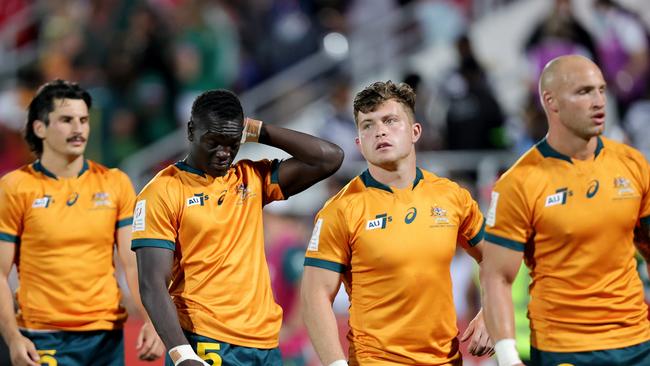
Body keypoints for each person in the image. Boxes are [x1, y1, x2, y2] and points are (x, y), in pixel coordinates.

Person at [131, 88, 343, 366]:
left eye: (232, 143)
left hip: (265, 344)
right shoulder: (162, 191)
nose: (224, 153)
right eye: (214, 142)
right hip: (206, 342)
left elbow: (329, 158)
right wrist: (182, 354)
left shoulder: (251, 177)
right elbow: (152, 284)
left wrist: (260, 130)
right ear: (191, 130)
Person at [301, 80, 493, 365]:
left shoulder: (451, 197)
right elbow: (315, 296)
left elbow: (497, 259)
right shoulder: (341, 210)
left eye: (390, 121)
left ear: (415, 131)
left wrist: (491, 312)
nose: (379, 131)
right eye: (368, 125)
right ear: (359, 143)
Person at [480, 55, 650, 366]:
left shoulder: (633, 164)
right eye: (584, 92)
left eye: (601, 90)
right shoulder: (519, 182)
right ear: (551, 102)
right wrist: (506, 356)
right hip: (565, 350)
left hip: (638, 344)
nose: (599, 101)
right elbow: (496, 277)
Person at [0, 79, 164, 366]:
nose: (78, 129)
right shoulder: (15, 188)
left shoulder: (116, 183)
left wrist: (153, 321)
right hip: (45, 337)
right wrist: (13, 338)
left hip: (106, 339)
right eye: (66, 120)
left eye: (83, 120)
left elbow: (132, 262)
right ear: (40, 128)